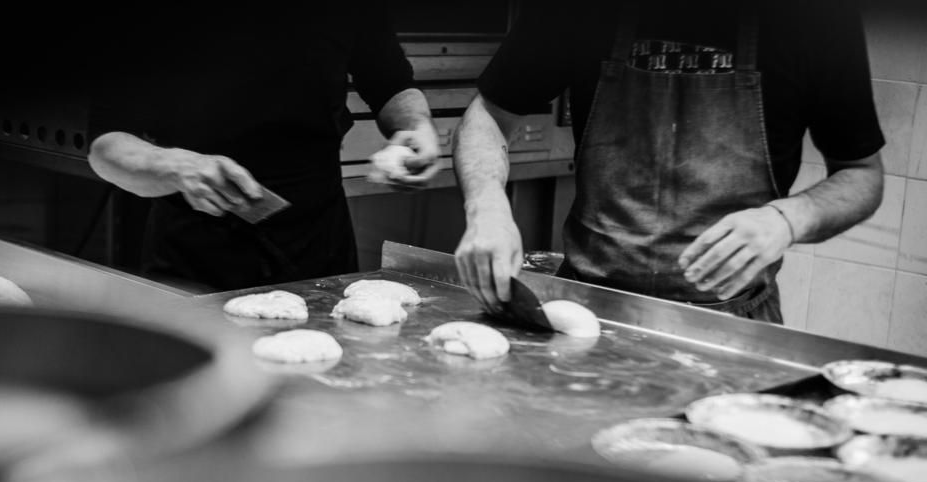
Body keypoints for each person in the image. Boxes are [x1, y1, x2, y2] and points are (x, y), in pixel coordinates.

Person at [453, 0, 884, 323]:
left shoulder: (817, 17)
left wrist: (787, 220)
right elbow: (488, 116)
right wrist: (486, 207)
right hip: (585, 314)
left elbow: (861, 175)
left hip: (734, 323)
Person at [87, 5, 439, 292]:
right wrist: (176, 166)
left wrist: (415, 127)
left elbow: (390, 83)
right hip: (195, 249)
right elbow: (106, 146)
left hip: (319, 240)